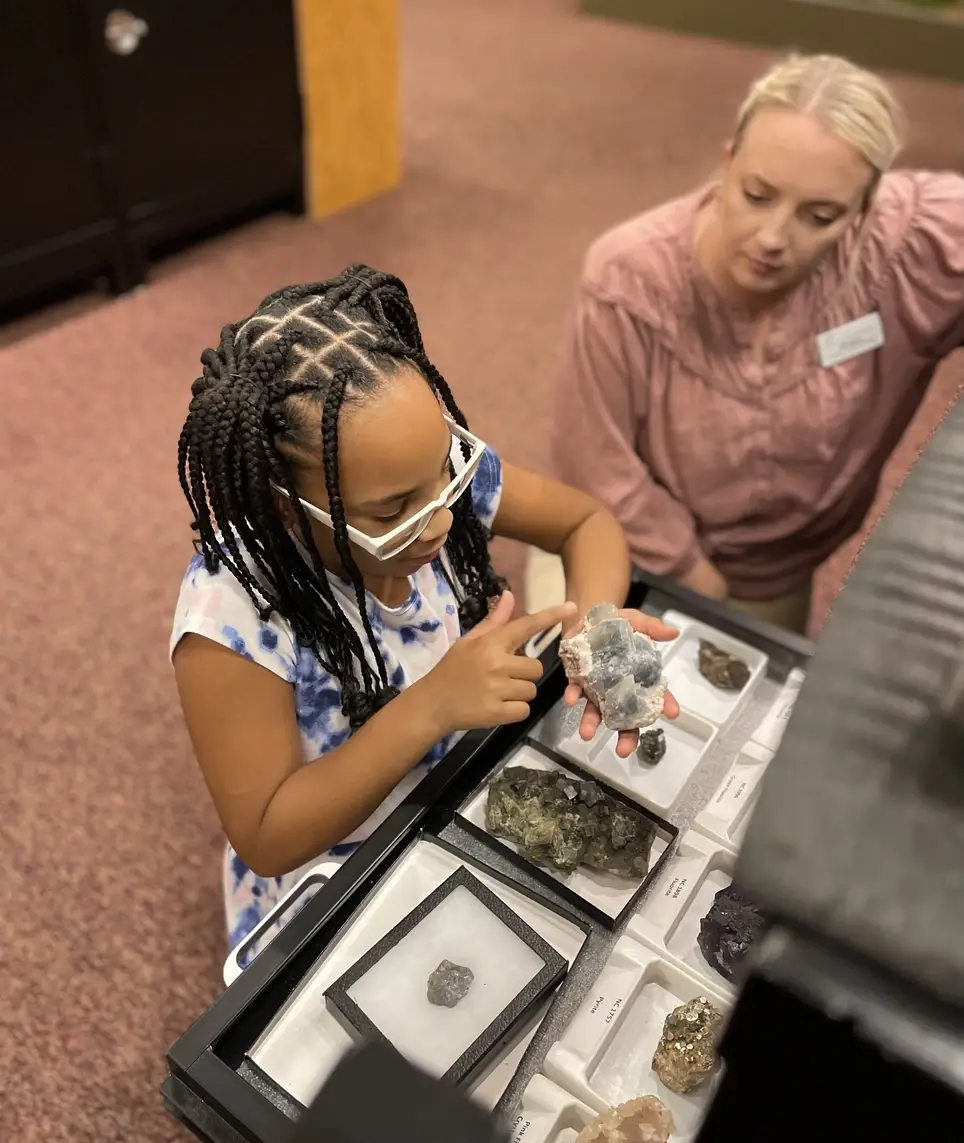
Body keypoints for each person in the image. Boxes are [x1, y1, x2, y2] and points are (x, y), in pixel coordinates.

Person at [170, 265, 679, 955]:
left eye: (445, 469)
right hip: (338, 873)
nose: (440, 518)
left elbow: (586, 522)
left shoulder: (429, 482)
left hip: (459, 790)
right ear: (289, 509)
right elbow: (266, 833)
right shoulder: (232, 612)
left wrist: (597, 625)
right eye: (392, 511)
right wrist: (432, 706)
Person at [531, 53, 964, 635]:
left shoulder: (909, 246)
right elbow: (597, 465)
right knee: (581, 685)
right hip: (618, 545)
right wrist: (702, 587)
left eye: (820, 216)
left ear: (864, 209)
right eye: (757, 195)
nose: (773, 238)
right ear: (728, 161)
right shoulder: (626, 278)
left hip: (776, 575)